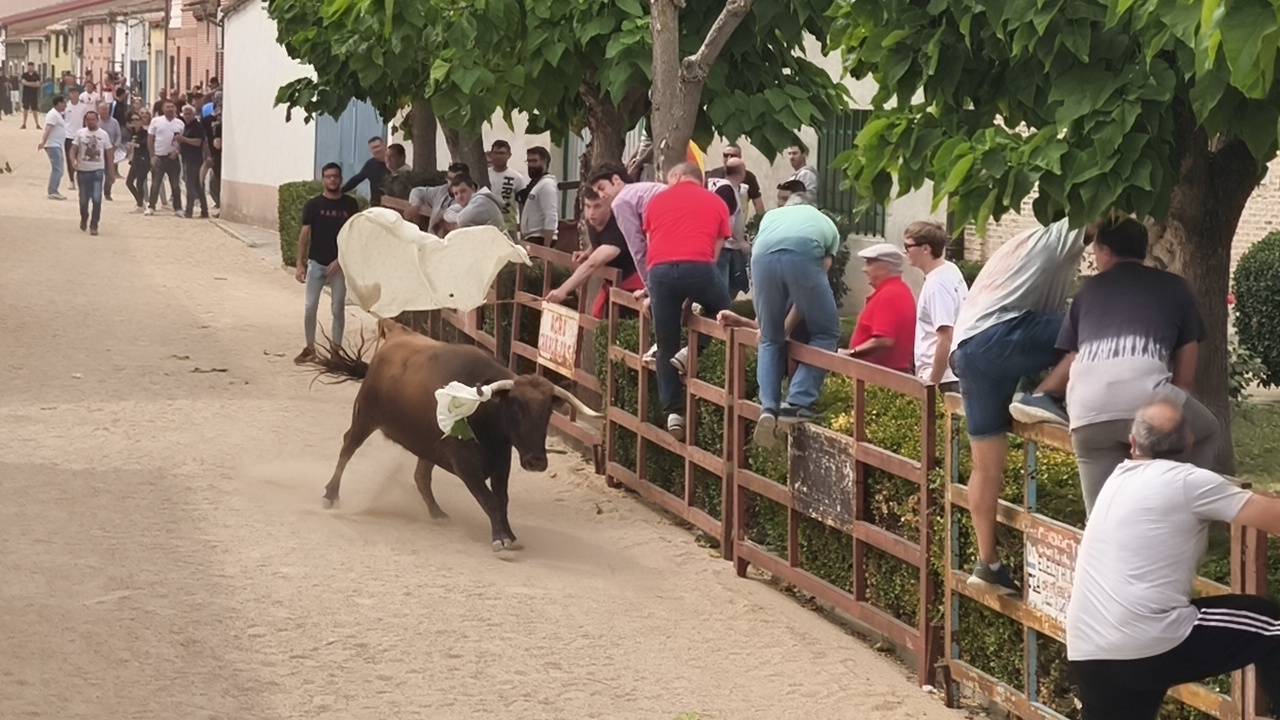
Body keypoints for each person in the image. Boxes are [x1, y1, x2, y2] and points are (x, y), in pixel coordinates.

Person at [1066, 397, 1280, 720]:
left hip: (1087, 647)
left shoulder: (1117, 479)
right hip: (1150, 640)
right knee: (1274, 626)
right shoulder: (1187, 482)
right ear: (1190, 442)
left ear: (1134, 443)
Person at [1009, 217, 1219, 513]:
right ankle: (1187, 510)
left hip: (1087, 411)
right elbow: (1185, 376)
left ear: (1105, 251)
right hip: (1148, 401)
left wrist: (1041, 394)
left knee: (1100, 514)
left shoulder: (1087, 293)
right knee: (1208, 431)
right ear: (1143, 250)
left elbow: (1073, 359)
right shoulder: (1176, 288)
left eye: (1095, 252)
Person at [949, 218, 1095, 595]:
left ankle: (988, 564)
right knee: (1099, 318)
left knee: (986, 465)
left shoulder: (1020, 244)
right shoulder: (1061, 233)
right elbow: (1096, 214)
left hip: (967, 351)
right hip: (1000, 334)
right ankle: (1046, 394)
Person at [644, 162, 734, 437]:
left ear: (678, 176)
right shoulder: (717, 203)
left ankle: (673, 413)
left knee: (665, 340)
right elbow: (714, 255)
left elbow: (652, 243)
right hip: (699, 266)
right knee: (724, 310)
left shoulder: (656, 202)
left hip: (658, 272)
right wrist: (693, 292)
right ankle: (692, 352)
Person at [749, 191, 841, 446]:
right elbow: (823, 269)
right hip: (803, 256)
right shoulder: (824, 222)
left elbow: (757, 256)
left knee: (769, 338)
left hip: (761, 259)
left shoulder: (770, 217)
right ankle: (797, 402)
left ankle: (768, 407)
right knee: (826, 333)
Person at [545, 186, 644, 318]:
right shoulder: (592, 221)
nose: (591, 212)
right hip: (614, 286)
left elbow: (592, 264)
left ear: (609, 205)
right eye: (588, 206)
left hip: (635, 290)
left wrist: (563, 291)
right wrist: (588, 252)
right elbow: (597, 241)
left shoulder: (616, 228)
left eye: (597, 206)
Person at [295, 162, 360, 364]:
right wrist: (300, 263)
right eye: (328, 176)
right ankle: (309, 347)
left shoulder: (350, 205)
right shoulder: (313, 205)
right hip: (316, 263)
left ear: (340, 179)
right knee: (310, 307)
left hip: (339, 266)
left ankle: (336, 351)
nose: (332, 179)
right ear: (323, 179)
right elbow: (305, 234)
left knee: (338, 308)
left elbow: (354, 236)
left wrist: (341, 260)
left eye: (335, 176)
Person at [904, 221, 968, 390]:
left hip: (944, 378)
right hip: (954, 373)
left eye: (908, 246)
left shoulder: (936, 285)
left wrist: (932, 383)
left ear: (926, 249)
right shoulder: (950, 269)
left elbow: (945, 337)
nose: (905, 251)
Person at [842, 244, 915, 373]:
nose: (864, 269)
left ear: (885, 267)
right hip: (885, 375)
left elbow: (884, 340)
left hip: (881, 376)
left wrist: (850, 353)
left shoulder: (889, 294)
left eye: (870, 263)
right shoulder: (897, 290)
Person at [589, 163, 666, 284]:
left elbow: (637, 246)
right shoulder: (642, 189)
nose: (601, 195)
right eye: (597, 192)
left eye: (601, 188)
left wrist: (649, 284)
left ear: (616, 180)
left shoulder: (620, 202)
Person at [707, 157, 751, 297]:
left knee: (732, 285)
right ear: (742, 172)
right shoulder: (727, 190)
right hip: (724, 246)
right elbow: (726, 220)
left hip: (725, 245)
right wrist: (741, 241)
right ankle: (719, 314)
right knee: (723, 288)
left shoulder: (721, 186)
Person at [70, 109, 113, 236]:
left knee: (97, 198)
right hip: (83, 171)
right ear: (85, 120)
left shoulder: (103, 135)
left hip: (97, 171)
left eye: (93, 119)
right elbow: (73, 150)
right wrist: (73, 161)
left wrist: (111, 172)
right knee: (83, 200)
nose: (90, 122)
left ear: (97, 120)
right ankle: (84, 216)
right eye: (88, 119)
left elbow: (109, 154)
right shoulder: (80, 133)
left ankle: (94, 224)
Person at [147, 100, 184, 216]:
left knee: (175, 184)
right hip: (159, 157)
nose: (170, 109)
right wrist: (152, 156)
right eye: (167, 107)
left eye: (172, 106)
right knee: (155, 183)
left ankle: (178, 208)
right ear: (163, 109)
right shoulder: (156, 121)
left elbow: (182, 141)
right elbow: (150, 139)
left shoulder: (180, 123)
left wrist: (177, 151)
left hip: (173, 158)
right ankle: (151, 206)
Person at [708, 144, 765, 217]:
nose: (728, 158)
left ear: (740, 157)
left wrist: (759, 222)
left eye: (733, 156)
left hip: (738, 220)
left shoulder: (749, 177)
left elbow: (758, 203)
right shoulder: (713, 174)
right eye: (725, 155)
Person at [517, 146, 559, 244]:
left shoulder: (547, 185)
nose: (531, 165)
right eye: (529, 161)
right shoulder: (536, 184)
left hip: (540, 239)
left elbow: (551, 216)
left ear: (544, 161)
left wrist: (546, 247)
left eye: (534, 161)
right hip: (531, 238)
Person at [408, 162, 468, 230]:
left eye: (456, 179)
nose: (451, 183)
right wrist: (416, 205)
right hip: (433, 238)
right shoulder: (442, 191)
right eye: (449, 178)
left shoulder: (472, 200)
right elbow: (417, 191)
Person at [436, 174, 505, 232]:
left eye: (463, 191)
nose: (459, 196)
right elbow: (447, 213)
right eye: (456, 194)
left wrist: (457, 221)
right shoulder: (469, 205)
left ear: (472, 189)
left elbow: (462, 220)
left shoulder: (482, 201)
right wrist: (458, 218)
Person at [487, 139, 527, 231]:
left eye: (502, 153)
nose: (498, 156)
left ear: (509, 155)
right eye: (496, 153)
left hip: (509, 227)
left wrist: (522, 226)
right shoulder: (485, 175)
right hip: (488, 227)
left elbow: (522, 205)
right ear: (491, 155)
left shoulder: (517, 178)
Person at [177, 104, 208, 218]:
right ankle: (204, 211)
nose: (187, 115)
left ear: (194, 114)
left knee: (190, 185)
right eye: (185, 113)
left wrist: (183, 139)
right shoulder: (185, 126)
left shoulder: (197, 126)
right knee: (197, 186)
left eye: (189, 113)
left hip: (194, 159)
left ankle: (188, 211)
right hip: (186, 158)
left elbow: (198, 142)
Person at [341, 136, 389, 205]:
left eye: (378, 146)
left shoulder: (395, 163)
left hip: (393, 206)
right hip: (376, 204)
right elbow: (357, 179)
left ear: (384, 146)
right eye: (373, 148)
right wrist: (341, 191)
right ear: (370, 150)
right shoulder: (370, 164)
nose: (376, 150)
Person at [37, 95, 68, 200]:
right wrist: (43, 142)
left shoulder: (59, 114)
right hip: (52, 144)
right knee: (58, 169)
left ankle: (54, 189)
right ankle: (52, 191)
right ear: (58, 103)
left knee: (59, 169)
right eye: (64, 102)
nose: (65, 105)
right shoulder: (52, 115)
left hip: (57, 144)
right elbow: (48, 129)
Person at [124, 110, 151, 212]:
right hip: (135, 160)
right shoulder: (132, 132)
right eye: (133, 120)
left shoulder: (145, 133)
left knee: (140, 183)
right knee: (129, 182)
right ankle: (140, 202)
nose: (135, 122)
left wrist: (134, 145)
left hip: (144, 160)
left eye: (137, 119)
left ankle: (141, 205)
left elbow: (145, 145)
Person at [63, 89, 89, 191]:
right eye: (72, 93)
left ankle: (80, 180)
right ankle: (71, 180)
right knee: (70, 159)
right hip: (69, 136)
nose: (74, 95)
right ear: (69, 94)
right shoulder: (66, 106)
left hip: (80, 135)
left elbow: (86, 120)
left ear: (79, 94)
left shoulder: (83, 107)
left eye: (76, 93)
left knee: (80, 159)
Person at [96, 101, 122, 201]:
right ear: (98, 110)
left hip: (110, 151)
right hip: (97, 151)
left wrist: (115, 146)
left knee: (109, 173)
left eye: (106, 109)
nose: (104, 111)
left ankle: (107, 192)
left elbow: (118, 135)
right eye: (102, 109)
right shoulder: (95, 121)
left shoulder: (114, 122)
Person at [20, 63, 42, 130]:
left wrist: (28, 83)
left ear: (33, 67)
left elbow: (38, 84)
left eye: (31, 67)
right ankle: (24, 124)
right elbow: (23, 82)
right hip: (26, 94)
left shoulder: (36, 75)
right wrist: (33, 84)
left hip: (34, 95)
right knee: (25, 108)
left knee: (35, 109)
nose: (30, 68)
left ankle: (37, 124)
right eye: (29, 67)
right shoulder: (24, 75)